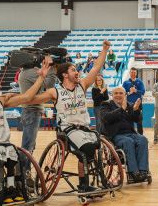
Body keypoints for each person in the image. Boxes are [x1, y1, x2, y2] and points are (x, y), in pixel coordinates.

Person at [28, 40, 111, 192]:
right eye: (73, 70)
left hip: (85, 129)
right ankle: (83, 185)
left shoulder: (82, 85)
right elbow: (30, 98)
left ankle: (99, 180)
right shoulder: (55, 92)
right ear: (65, 75)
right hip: (67, 131)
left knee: (98, 146)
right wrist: (41, 77)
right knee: (87, 149)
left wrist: (104, 50)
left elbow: (96, 68)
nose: (77, 71)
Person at [0, 57, 51, 204]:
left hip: (3, 144)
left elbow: (27, 97)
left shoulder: (0, 101)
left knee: (14, 156)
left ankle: (12, 188)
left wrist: (41, 77)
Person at [100, 87, 149, 183]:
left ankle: (143, 171)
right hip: (115, 135)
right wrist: (122, 109)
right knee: (128, 142)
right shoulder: (106, 105)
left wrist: (136, 110)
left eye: (121, 93)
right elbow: (106, 118)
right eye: (116, 93)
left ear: (125, 95)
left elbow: (137, 119)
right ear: (112, 95)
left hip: (130, 133)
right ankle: (133, 172)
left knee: (143, 139)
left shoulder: (130, 105)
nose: (118, 95)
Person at [19, 54, 57, 173]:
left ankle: (23, 172)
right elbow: (49, 84)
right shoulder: (31, 72)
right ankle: (24, 174)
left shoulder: (27, 71)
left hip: (30, 111)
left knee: (29, 144)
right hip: (32, 110)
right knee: (28, 145)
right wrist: (51, 68)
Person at [122, 67, 145, 135]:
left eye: (134, 72)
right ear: (130, 73)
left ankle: (140, 136)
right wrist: (129, 92)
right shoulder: (125, 83)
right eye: (132, 72)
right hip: (128, 105)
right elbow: (122, 93)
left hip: (138, 105)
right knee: (129, 121)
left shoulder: (139, 81)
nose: (133, 74)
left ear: (136, 73)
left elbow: (143, 92)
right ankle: (130, 135)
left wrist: (136, 91)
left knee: (139, 122)